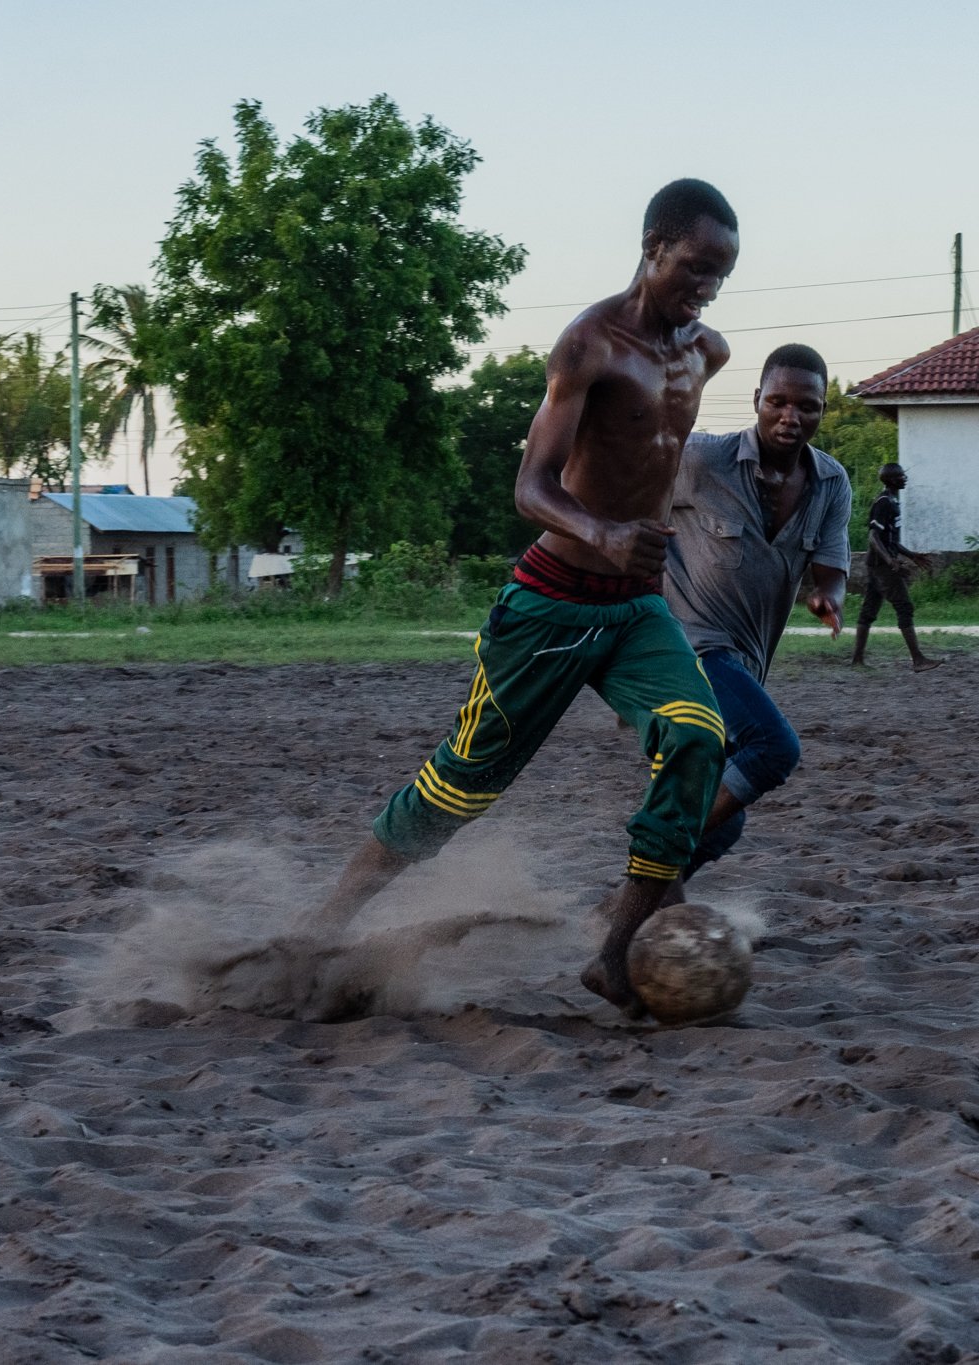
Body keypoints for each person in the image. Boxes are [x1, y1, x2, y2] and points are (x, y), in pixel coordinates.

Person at [304, 179, 740, 1017]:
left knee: (696, 738)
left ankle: (615, 955)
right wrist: (605, 532)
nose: (704, 289)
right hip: (550, 604)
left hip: (638, 608)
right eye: (693, 267)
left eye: (719, 275)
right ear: (653, 245)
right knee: (462, 785)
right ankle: (325, 921)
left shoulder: (706, 351)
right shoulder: (589, 344)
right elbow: (530, 488)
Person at [662, 343, 852, 890]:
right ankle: (654, 862)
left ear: (822, 410)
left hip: (744, 661)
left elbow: (832, 565)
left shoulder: (830, 483)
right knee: (774, 748)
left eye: (807, 406)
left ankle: (629, 906)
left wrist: (828, 597)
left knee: (724, 824)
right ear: (757, 400)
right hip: (686, 649)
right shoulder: (701, 461)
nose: (791, 417)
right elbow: (629, 491)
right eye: (778, 402)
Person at [850, 462, 939, 670]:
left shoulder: (892, 501)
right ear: (890, 480)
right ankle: (918, 660)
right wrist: (891, 561)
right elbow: (873, 537)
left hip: (877, 564)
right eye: (901, 476)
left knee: (868, 611)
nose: (905, 479)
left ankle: (857, 660)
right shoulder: (884, 503)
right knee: (904, 606)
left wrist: (912, 555)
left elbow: (889, 540)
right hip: (882, 566)